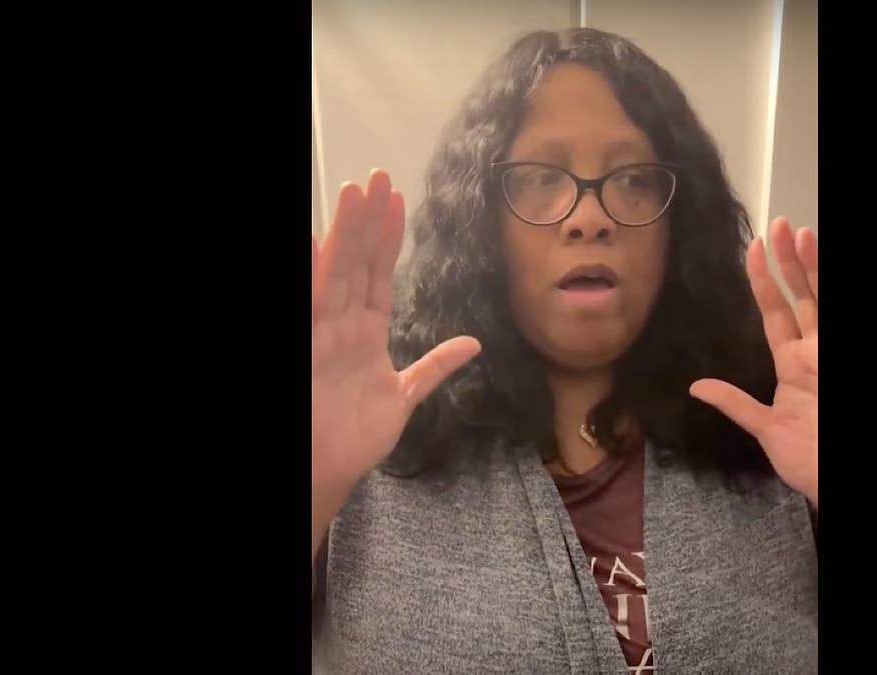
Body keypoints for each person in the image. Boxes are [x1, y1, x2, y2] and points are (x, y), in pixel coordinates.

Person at [312, 27, 818, 673]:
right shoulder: (369, 441)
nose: (589, 218)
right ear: (483, 222)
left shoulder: (777, 434)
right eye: (540, 177)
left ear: (678, 225)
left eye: (633, 179)